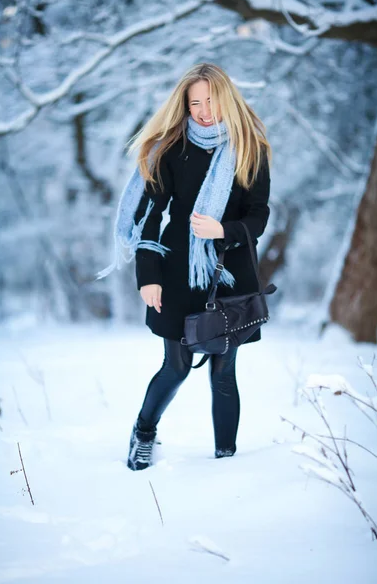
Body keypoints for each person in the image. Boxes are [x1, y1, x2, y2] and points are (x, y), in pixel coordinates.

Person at [97, 62, 271, 471]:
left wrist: (221, 229)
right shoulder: (170, 150)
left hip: (229, 273)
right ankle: (143, 433)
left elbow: (258, 215)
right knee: (175, 366)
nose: (204, 110)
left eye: (211, 100)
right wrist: (148, 277)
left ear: (226, 97)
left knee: (224, 372)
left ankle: (225, 459)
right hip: (176, 275)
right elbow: (151, 217)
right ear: (185, 105)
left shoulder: (251, 149)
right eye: (195, 102)